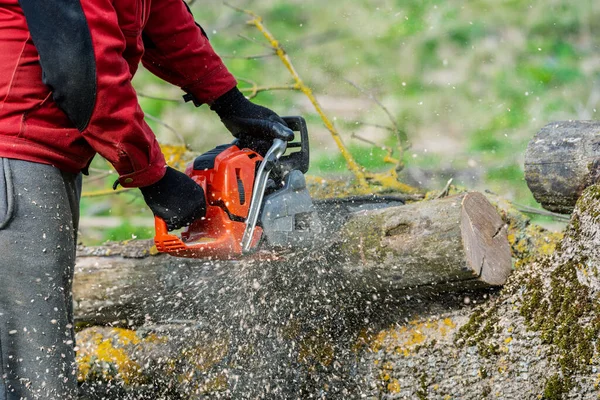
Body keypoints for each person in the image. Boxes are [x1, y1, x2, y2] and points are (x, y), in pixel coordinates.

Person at [0, 0, 293, 398]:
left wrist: (228, 100)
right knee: (34, 366)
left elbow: (162, 19)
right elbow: (82, 67)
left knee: (40, 346)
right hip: (13, 151)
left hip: (38, 152)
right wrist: (151, 175)